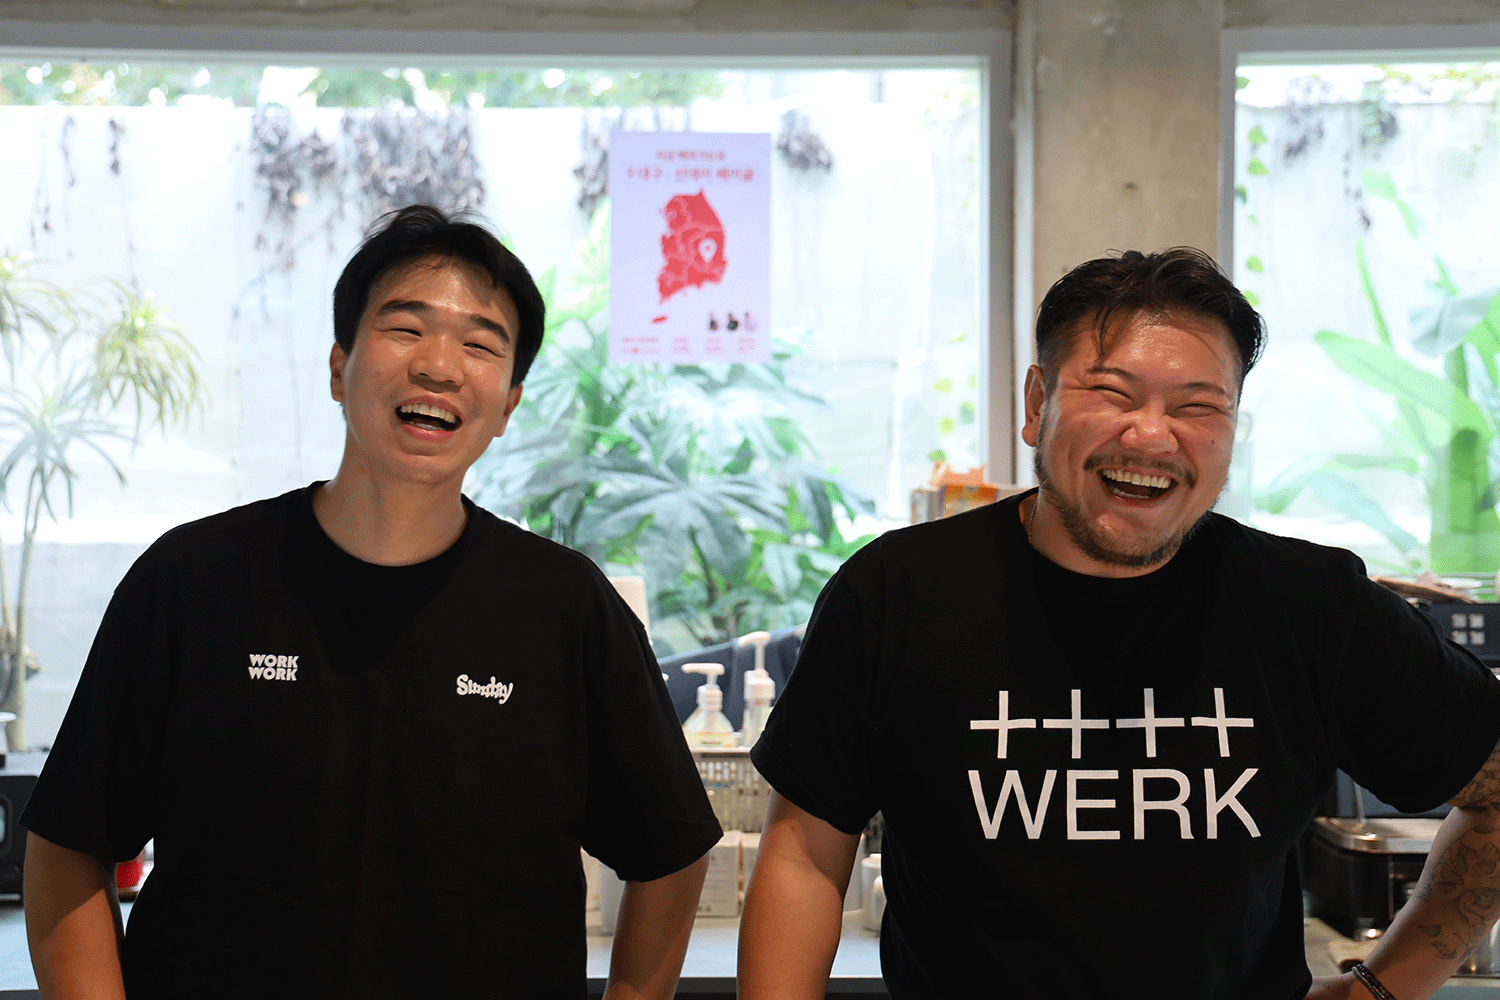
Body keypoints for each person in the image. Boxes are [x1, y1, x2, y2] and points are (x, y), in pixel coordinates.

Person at [738, 247, 1500, 1000]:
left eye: (1198, 406)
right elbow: (804, 856)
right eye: (1112, 393)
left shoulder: (1312, 606)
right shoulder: (897, 593)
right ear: (1037, 403)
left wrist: (1383, 989)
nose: (1151, 436)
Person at [22, 204, 721, 1000]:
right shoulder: (193, 581)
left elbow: (671, 849)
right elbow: (67, 841)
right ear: (338, 367)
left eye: (480, 344)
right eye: (405, 328)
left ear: (508, 405)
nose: (440, 366)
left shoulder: (566, 609)